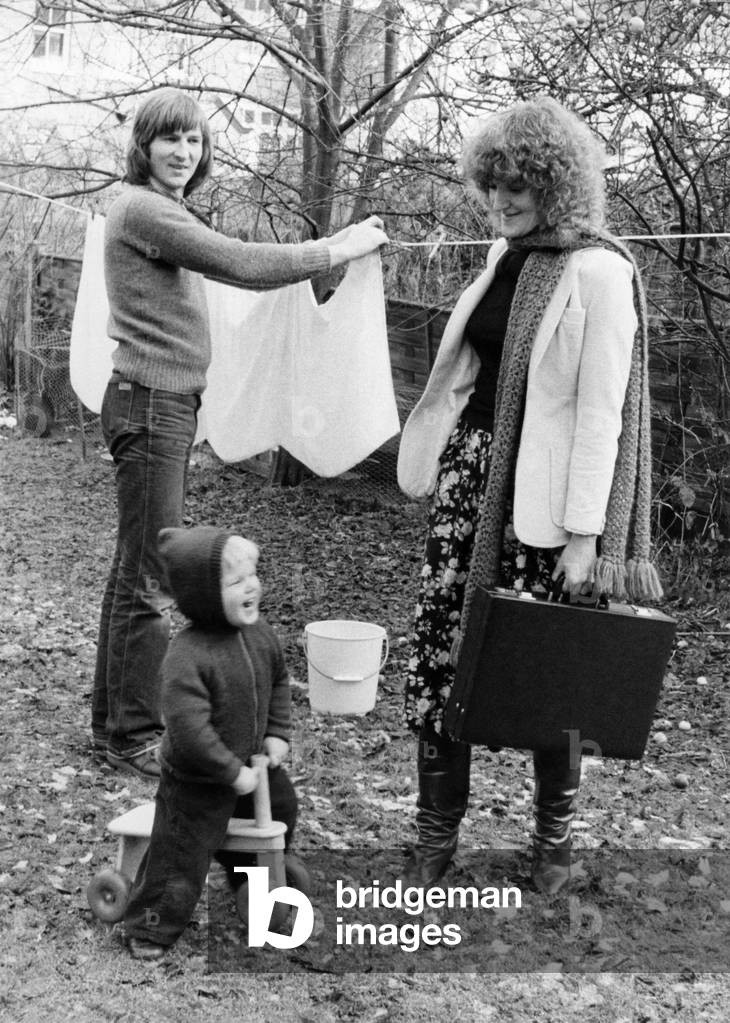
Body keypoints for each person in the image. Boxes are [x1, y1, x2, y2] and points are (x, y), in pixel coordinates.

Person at [397, 96, 662, 895]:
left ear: (558, 185)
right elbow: (471, 371)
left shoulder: (601, 270)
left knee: (552, 671)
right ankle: (434, 839)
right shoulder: (502, 254)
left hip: (544, 509)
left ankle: (552, 847)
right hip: (471, 485)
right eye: (493, 186)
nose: (503, 201)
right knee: (443, 658)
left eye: (519, 187)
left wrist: (586, 535)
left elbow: (600, 413)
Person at [91, 87, 388, 777]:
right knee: (147, 572)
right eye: (170, 139)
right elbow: (242, 265)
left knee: (131, 567)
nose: (183, 152)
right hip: (150, 403)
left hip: (159, 401)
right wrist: (339, 245)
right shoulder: (143, 208)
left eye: (194, 141)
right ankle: (133, 732)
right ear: (144, 146)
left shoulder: (164, 210)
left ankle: (115, 726)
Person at [123, 524, 298, 960]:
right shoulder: (188, 654)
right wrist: (227, 770)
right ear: (202, 594)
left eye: (253, 574)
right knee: (180, 854)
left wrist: (276, 732)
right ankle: (151, 925)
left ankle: (252, 882)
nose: (251, 586)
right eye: (236, 581)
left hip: (251, 768)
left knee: (282, 808)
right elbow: (189, 729)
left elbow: (278, 681)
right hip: (198, 779)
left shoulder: (260, 636)